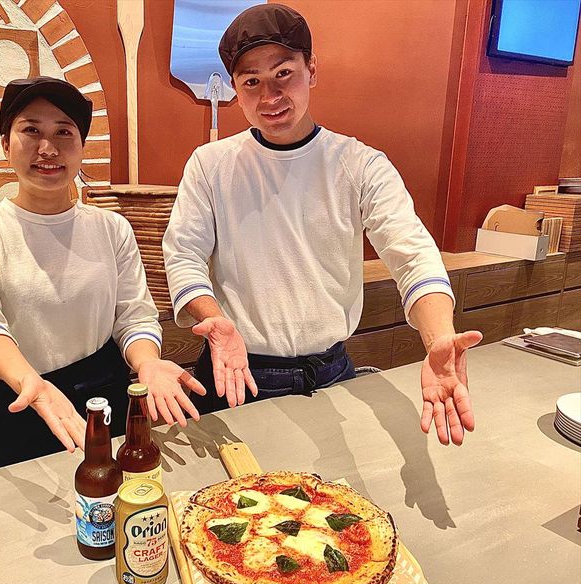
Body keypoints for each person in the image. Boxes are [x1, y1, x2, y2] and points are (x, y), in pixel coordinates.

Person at [162, 4, 482, 446]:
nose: (270, 96)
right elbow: (183, 255)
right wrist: (214, 320)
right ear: (235, 87)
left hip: (331, 371)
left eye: (284, 73)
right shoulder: (211, 164)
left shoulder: (359, 164)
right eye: (252, 81)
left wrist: (439, 338)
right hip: (236, 372)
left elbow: (412, 254)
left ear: (311, 69)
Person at [0, 77, 204, 475]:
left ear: (82, 147)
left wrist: (148, 363)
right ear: (5, 143)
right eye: (31, 130)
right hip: (17, 400)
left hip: (102, 401)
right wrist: (30, 383)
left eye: (64, 132)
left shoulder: (111, 228)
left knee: (112, 505)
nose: (48, 148)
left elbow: (134, 316)